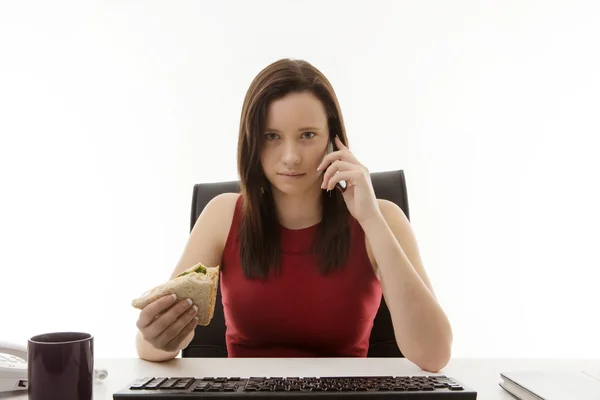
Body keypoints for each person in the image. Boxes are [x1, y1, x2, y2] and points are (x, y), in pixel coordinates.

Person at [135, 58, 453, 372]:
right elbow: (149, 347)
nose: (290, 157)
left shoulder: (384, 218)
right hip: (245, 397)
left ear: (334, 139)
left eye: (307, 135)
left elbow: (434, 355)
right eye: (272, 136)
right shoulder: (222, 215)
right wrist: (160, 334)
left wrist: (370, 220)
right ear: (252, 141)